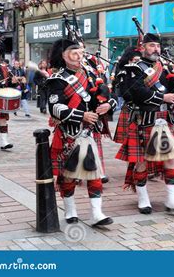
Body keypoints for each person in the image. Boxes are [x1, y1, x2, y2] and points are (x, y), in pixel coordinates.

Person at [116, 33, 174, 215]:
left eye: (157, 46)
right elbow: (136, 91)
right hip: (143, 120)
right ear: (143, 48)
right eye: (151, 46)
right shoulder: (133, 69)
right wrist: (161, 97)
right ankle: (143, 199)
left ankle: (172, 199)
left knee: (170, 158)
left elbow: (172, 88)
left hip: (163, 120)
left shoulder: (163, 68)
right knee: (141, 162)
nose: (156, 49)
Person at [47, 38, 115, 227]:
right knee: (68, 176)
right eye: (74, 53)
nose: (79, 57)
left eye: (81, 53)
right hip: (69, 133)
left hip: (89, 133)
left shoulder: (92, 75)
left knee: (93, 173)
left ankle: (97, 214)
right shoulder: (57, 79)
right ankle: (70, 210)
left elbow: (110, 96)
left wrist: (107, 105)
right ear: (63, 56)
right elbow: (55, 108)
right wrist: (81, 115)